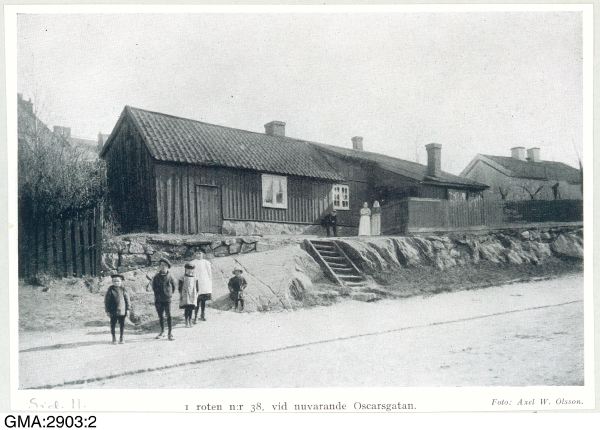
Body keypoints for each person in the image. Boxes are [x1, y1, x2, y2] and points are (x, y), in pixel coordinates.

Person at [150, 258, 177, 340]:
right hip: (158, 299)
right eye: (161, 265)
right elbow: (154, 287)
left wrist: (169, 294)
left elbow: (174, 286)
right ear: (159, 267)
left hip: (167, 299)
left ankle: (170, 333)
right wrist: (157, 294)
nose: (163, 267)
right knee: (160, 316)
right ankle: (162, 331)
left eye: (165, 265)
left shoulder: (170, 276)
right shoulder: (156, 276)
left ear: (168, 267)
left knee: (169, 315)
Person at [104, 273, 130, 345]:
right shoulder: (110, 290)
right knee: (113, 324)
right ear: (112, 282)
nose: (116, 283)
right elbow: (107, 301)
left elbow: (127, 300)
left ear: (121, 282)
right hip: (113, 311)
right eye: (114, 281)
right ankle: (114, 338)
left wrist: (128, 309)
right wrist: (107, 310)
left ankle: (121, 337)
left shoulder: (123, 289)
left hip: (122, 310)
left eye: (118, 281)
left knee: (122, 324)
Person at [193, 253, 213, 323]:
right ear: (195, 254)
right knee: (196, 301)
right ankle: (195, 316)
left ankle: (202, 315)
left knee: (203, 301)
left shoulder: (206, 262)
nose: (198, 255)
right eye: (197, 253)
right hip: (196, 284)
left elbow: (209, 275)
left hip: (204, 285)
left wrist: (209, 286)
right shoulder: (192, 263)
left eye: (200, 253)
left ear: (203, 254)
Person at [179, 262, 199, 328]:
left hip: (192, 294)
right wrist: (181, 294)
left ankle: (190, 320)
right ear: (185, 269)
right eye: (188, 269)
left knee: (191, 308)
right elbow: (180, 287)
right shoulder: (183, 277)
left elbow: (197, 286)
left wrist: (197, 293)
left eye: (191, 269)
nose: (190, 271)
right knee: (186, 308)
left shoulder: (195, 277)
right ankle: (186, 321)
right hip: (185, 294)